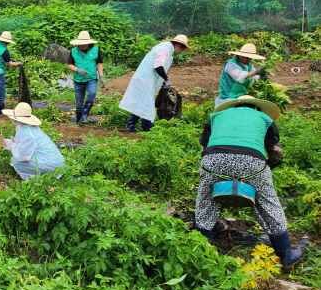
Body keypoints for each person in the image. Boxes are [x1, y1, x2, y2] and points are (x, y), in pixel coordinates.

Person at [195, 95, 302, 266]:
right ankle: (287, 256)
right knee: (270, 205)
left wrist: (215, 170)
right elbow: (276, 154)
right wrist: (261, 174)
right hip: (252, 163)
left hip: (212, 160)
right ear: (257, 108)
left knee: (205, 203)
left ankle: (200, 254)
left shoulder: (217, 117)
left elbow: (204, 147)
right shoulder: (264, 118)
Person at [119, 34, 190, 132]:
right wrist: (166, 80)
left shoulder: (167, 49)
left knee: (142, 103)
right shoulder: (165, 49)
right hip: (145, 80)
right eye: (181, 49)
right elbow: (158, 66)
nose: (180, 52)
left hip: (144, 78)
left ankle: (131, 125)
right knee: (147, 104)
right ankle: (147, 128)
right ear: (178, 45)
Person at [1, 103, 65, 179]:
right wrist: (6, 141)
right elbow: (22, 145)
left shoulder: (24, 132)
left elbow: (24, 156)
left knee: (16, 161)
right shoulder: (32, 128)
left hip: (49, 166)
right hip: (59, 165)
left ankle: (34, 179)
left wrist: (9, 145)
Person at [67, 31, 105, 123]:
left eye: (84, 44)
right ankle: (78, 121)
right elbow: (70, 65)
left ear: (88, 43)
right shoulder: (73, 52)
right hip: (78, 81)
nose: (82, 45)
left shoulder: (95, 50)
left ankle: (85, 115)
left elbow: (99, 64)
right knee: (79, 103)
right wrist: (78, 70)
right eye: (81, 44)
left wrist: (101, 76)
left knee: (92, 93)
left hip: (91, 78)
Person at [216, 43, 266, 107]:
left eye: (249, 58)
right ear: (241, 56)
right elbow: (239, 75)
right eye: (246, 57)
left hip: (241, 97)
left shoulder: (249, 66)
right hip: (228, 97)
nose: (248, 59)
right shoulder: (231, 64)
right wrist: (255, 72)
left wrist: (261, 77)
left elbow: (254, 78)